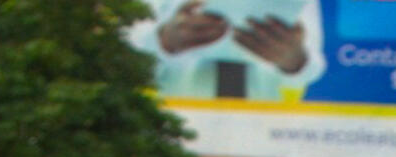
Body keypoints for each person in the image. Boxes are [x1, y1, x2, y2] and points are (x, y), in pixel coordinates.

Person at [136, 0, 327, 103]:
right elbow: (127, 52)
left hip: (260, 130)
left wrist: (294, 60)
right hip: (170, 125)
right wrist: (164, 41)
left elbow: (311, 67)